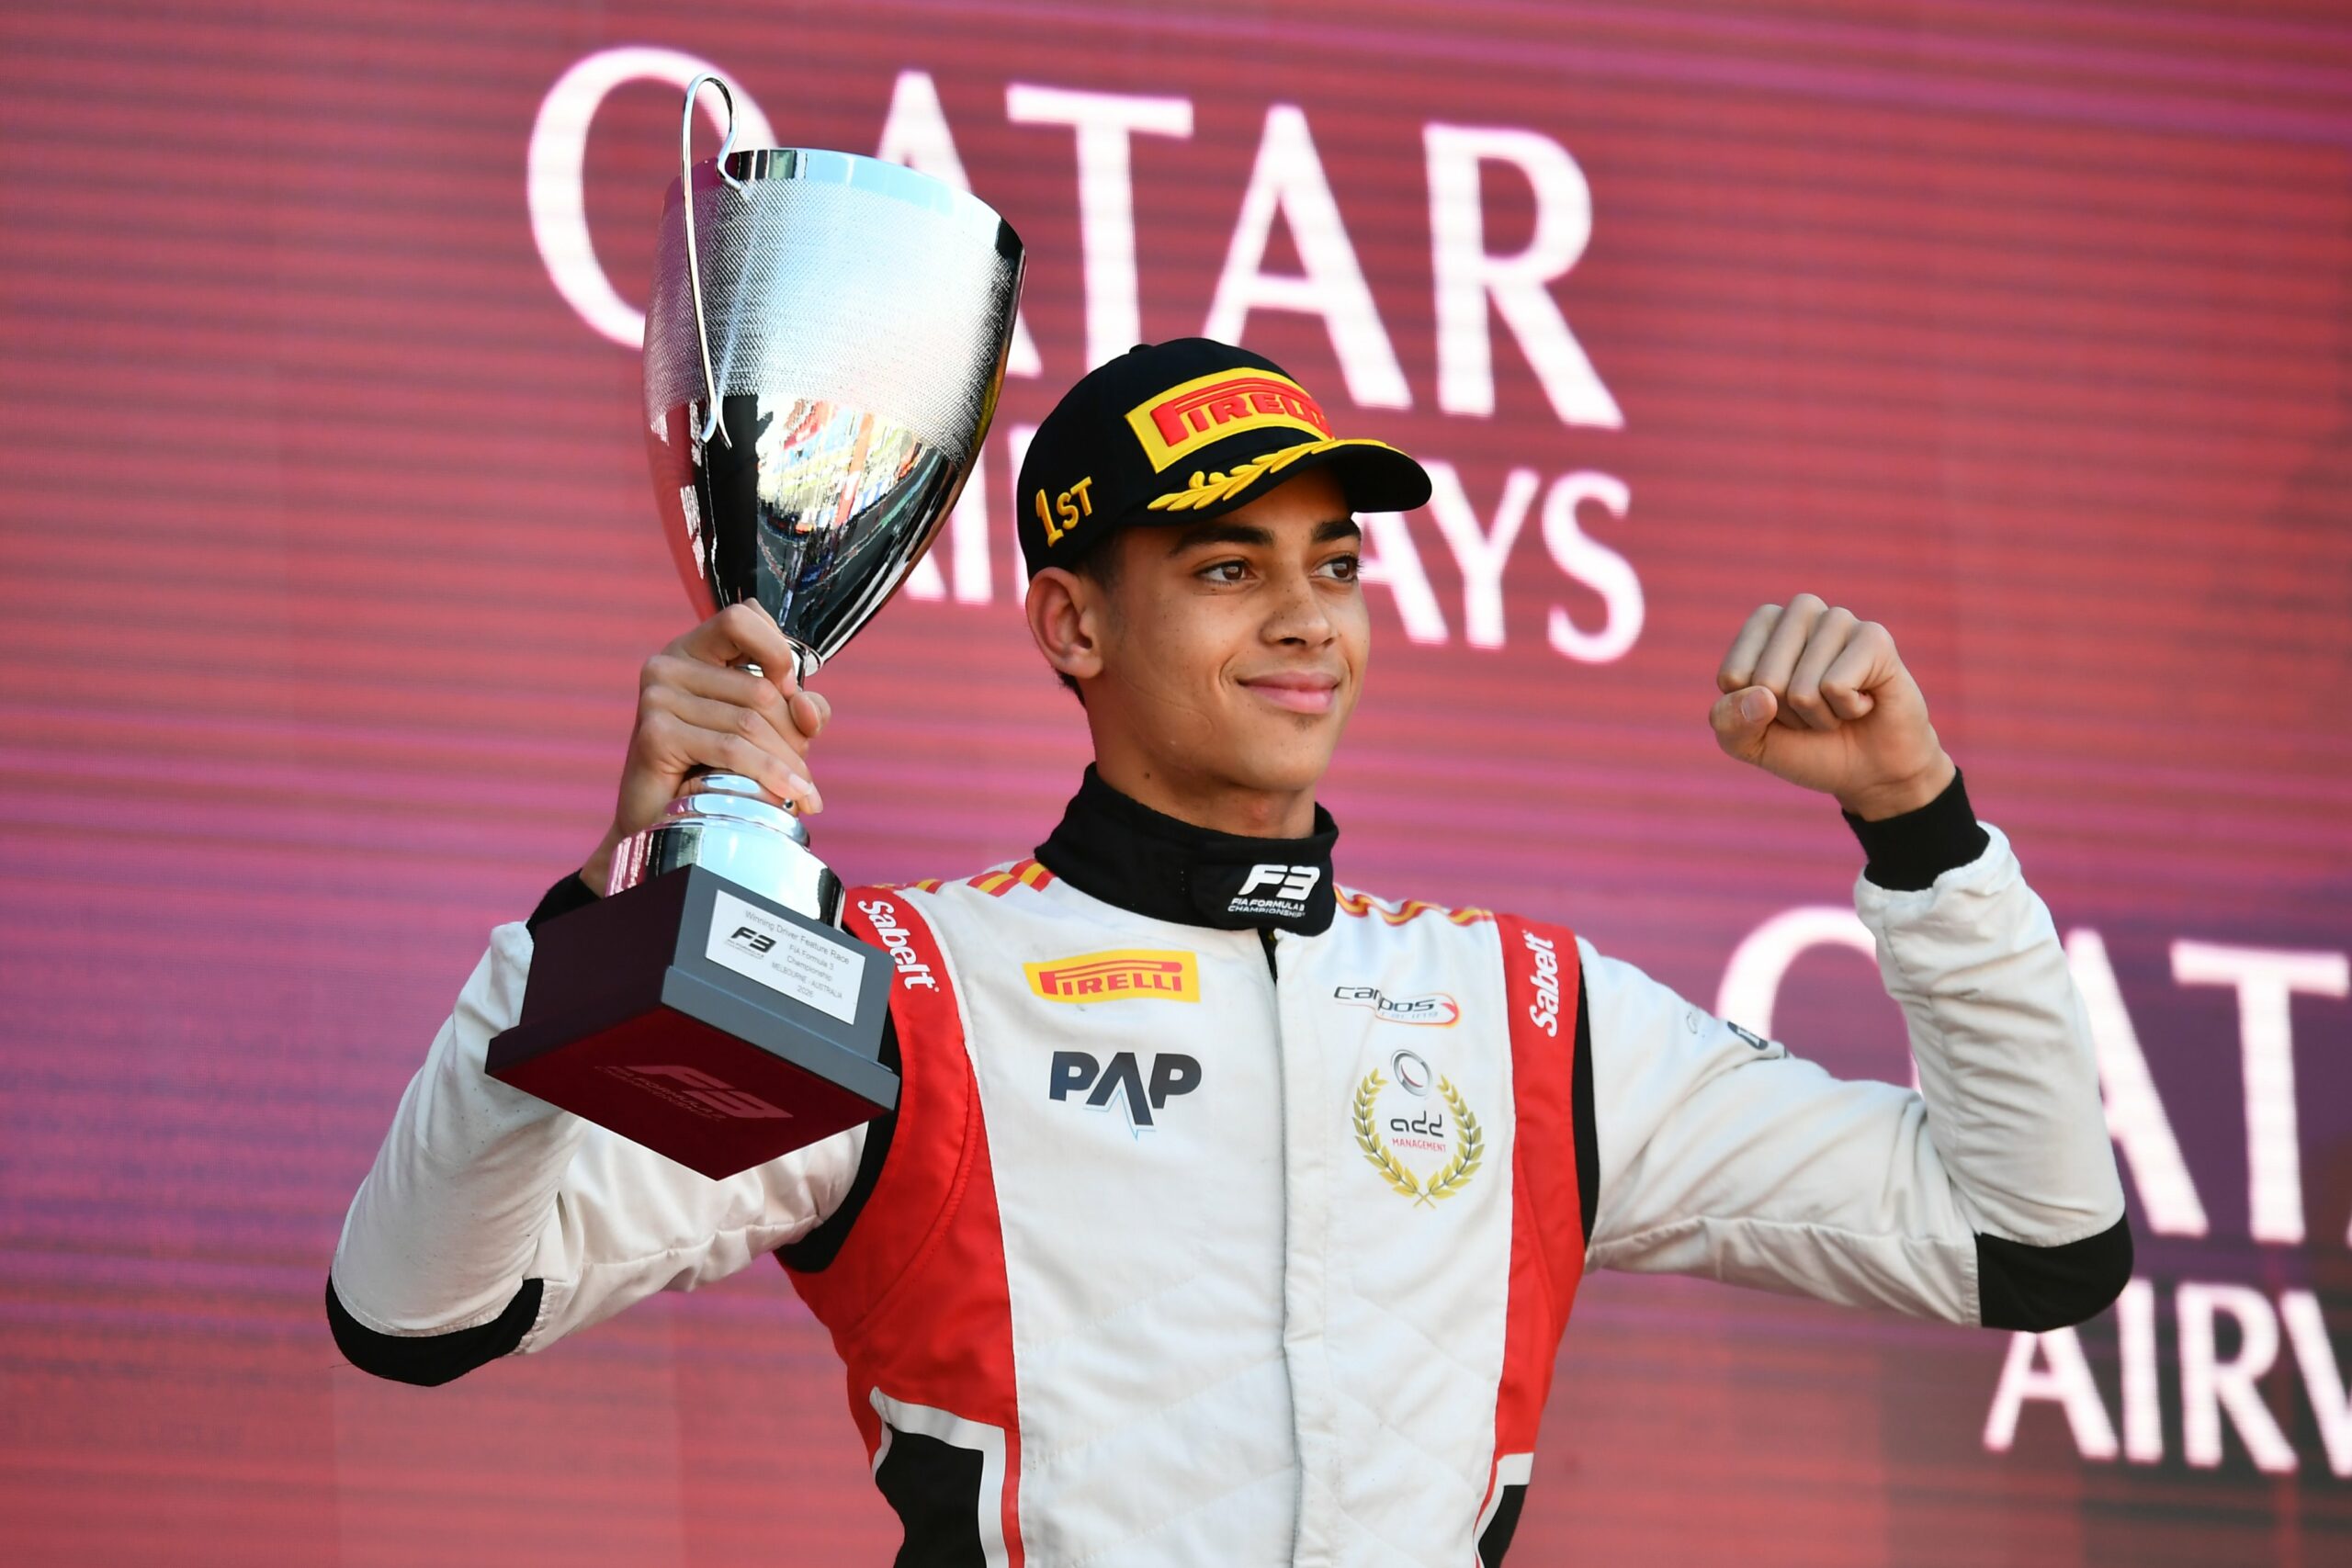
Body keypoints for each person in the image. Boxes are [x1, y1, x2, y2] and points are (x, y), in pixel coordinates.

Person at [327, 339, 2131, 1565]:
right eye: (1219, 565)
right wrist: (604, 912)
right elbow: (419, 1305)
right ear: (1068, 619)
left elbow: (2029, 1238)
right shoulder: (904, 980)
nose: (1301, 618)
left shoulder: (1524, 1012)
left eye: (1331, 564)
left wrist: (1919, 826)